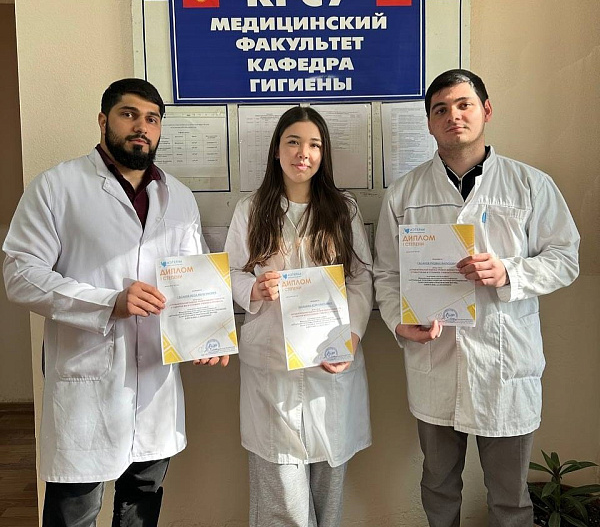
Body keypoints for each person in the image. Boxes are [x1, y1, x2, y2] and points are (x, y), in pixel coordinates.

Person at [2, 78, 228, 527]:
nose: (141, 127)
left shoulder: (178, 197)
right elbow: (20, 275)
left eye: (152, 119)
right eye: (129, 115)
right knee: (76, 509)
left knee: (142, 503)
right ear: (104, 120)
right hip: (87, 378)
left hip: (155, 381)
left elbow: (194, 277)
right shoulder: (58, 187)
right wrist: (109, 303)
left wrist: (208, 334)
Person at [374, 69, 579, 527]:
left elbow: (566, 258)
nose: (454, 116)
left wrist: (510, 272)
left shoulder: (530, 185)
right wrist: (397, 321)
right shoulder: (404, 193)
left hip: (505, 364)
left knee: (510, 497)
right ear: (429, 123)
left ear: (486, 110)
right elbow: (386, 273)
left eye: (464, 104)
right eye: (441, 109)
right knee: (437, 486)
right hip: (436, 360)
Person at [224, 106, 373, 527]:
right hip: (272, 373)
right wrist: (252, 289)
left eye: (314, 145)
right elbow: (230, 271)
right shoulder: (251, 209)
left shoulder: (342, 209)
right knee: (282, 506)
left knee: (328, 502)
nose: (302, 153)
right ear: (276, 149)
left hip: (332, 367)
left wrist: (351, 337)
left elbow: (361, 278)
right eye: (293, 142)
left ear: (323, 155)